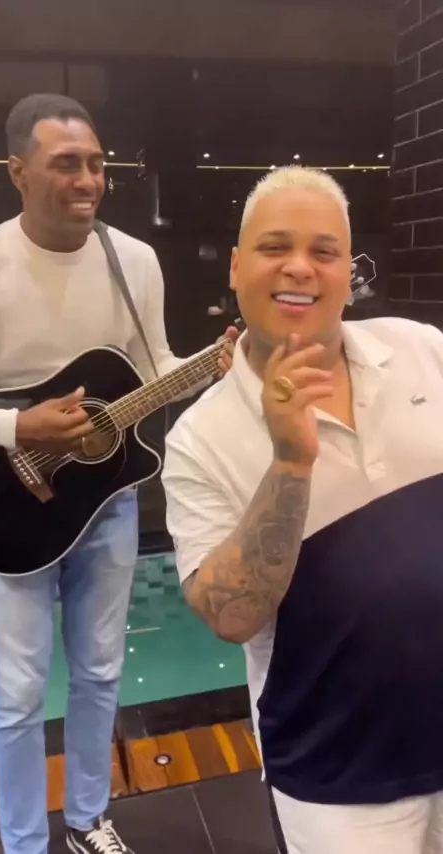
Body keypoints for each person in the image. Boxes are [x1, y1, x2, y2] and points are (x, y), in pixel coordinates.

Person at [0, 93, 236, 854]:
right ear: (17, 172)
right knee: (17, 696)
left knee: (99, 672)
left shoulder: (133, 261)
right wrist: (18, 427)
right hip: (3, 507)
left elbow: (153, 371)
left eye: (96, 163)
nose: (87, 180)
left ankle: (88, 821)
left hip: (104, 503)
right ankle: (24, 844)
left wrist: (217, 365)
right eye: (66, 164)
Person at [162, 165, 443, 854]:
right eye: (275, 246)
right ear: (236, 267)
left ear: (350, 273)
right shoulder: (200, 439)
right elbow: (231, 617)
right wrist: (289, 463)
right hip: (336, 777)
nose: (300, 267)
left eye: (324, 251)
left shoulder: (423, 351)